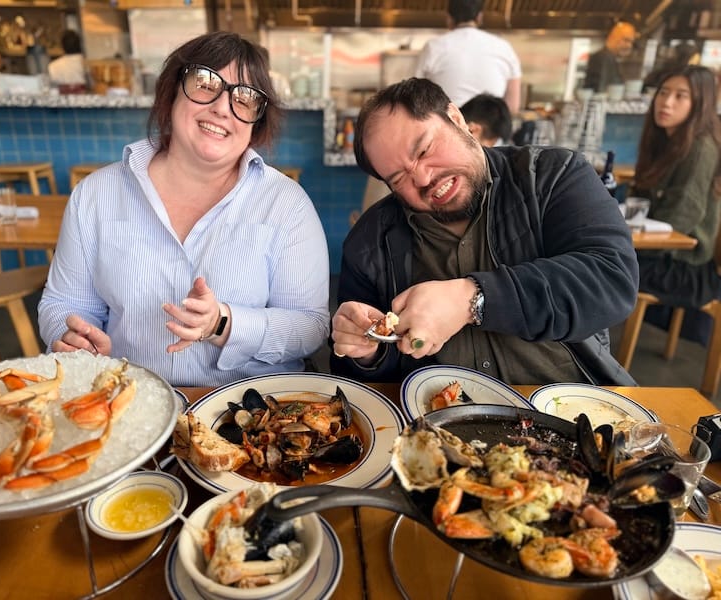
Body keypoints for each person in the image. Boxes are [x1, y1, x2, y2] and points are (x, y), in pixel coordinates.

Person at [38, 31, 330, 387]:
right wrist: (71, 338)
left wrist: (223, 323)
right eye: (206, 83)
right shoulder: (96, 195)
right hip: (131, 403)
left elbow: (311, 327)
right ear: (171, 91)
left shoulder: (286, 204)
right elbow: (63, 302)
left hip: (248, 416)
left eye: (245, 98)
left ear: (256, 124)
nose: (223, 108)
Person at [329, 77, 638, 386]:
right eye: (398, 179)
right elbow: (359, 381)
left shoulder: (552, 176)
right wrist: (366, 354)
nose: (422, 178)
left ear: (457, 119)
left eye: (424, 150)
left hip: (570, 407)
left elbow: (612, 280)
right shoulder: (369, 243)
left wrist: (472, 299)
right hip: (436, 424)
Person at [632, 65, 721, 309]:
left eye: (680, 96)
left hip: (685, 267)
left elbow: (683, 214)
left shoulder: (701, 147)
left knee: (595, 265)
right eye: (663, 92)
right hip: (658, 253)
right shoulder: (664, 141)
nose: (666, 102)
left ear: (700, 103)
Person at [414, 0, 522, 114]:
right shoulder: (504, 47)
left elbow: (417, 96)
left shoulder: (433, 47)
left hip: (447, 125)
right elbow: (512, 106)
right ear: (480, 17)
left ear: (449, 18)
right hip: (489, 126)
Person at [583, 21, 637, 93]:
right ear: (613, 37)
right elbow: (600, 92)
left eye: (631, 42)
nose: (629, 46)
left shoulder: (609, 58)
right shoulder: (603, 58)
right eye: (626, 40)